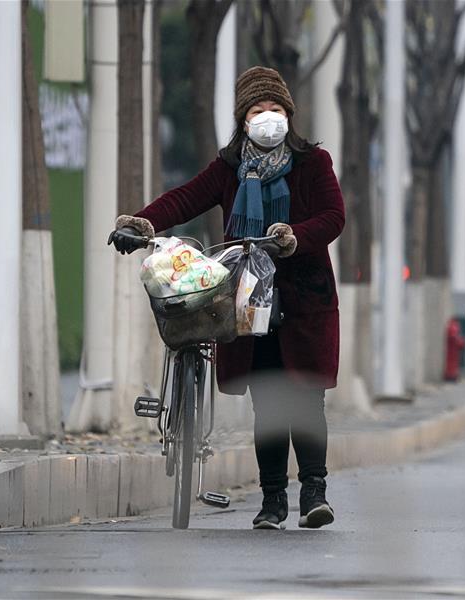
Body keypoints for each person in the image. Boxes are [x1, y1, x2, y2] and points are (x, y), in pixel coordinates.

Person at [108, 66, 345, 530]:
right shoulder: (229, 168)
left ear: (289, 115)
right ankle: (273, 502)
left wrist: (295, 236)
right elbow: (184, 199)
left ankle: (314, 493)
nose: (268, 117)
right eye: (258, 110)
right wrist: (141, 222)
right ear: (243, 119)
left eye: (276, 109)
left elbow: (334, 217)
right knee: (269, 401)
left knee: (305, 398)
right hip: (247, 298)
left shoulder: (314, 163)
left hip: (305, 300)